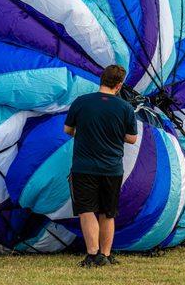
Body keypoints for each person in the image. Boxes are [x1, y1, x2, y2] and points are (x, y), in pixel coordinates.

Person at [64, 65, 138, 268]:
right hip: (111, 169)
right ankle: (105, 256)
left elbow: (68, 129)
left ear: (101, 80)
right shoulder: (125, 108)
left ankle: (92, 255)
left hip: (83, 167)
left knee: (87, 211)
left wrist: (86, 132)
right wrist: (114, 133)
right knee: (108, 213)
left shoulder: (81, 102)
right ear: (119, 85)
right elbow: (132, 138)